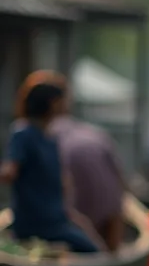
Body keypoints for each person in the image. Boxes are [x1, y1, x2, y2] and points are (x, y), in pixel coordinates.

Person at [1, 79, 103, 253]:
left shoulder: (51, 138)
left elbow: (60, 182)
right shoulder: (24, 134)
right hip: (38, 223)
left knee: (91, 242)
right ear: (52, 103)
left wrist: (69, 212)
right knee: (92, 251)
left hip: (56, 219)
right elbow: (9, 172)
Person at [49, 98, 129, 253]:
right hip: (104, 203)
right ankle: (112, 254)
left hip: (74, 205)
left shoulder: (47, 134)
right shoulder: (95, 134)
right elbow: (120, 177)